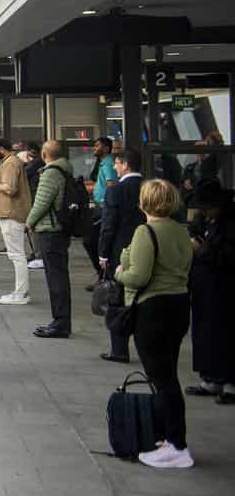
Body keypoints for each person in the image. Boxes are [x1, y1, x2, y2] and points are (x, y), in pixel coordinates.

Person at [115, 179, 195, 468]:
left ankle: (176, 445)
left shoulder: (145, 231)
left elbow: (138, 276)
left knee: (162, 379)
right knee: (168, 373)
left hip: (153, 309)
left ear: (144, 203)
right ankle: (169, 438)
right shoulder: (180, 231)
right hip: (179, 304)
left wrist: (119, 272)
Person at [185, 180, 235, 403]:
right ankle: (209, 377)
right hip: (202, 285)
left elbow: (228, 256)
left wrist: (202, 249)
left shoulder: (230, 224)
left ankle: (229, 381)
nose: (203, 212)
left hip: (224, 287)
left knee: (224, 334)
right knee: (203, 332)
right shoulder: (203, 220)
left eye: (207, 208)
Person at [97, 148, 145, 363]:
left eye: (117, 163)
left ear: (125, 165)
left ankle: (119, 349)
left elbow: (108, 226)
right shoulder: (150, 187)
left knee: (118, 299)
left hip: (121, 251)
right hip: (149, 249)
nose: (115, 167)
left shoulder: (115, 191)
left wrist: (103, 254)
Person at [28, 141, 73, 338]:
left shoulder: (51, 173)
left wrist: (29, 222)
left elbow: (42, 201)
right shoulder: (65, 169)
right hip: (59, 229)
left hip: (51, 230)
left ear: (44, 154)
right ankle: (61, 321)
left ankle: (60, 323)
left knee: (56, 279)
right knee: (59, 277)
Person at [0, 138, 32, 305]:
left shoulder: (11, 163)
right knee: (17, 254)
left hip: (11, 212)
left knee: (16, 254)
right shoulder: (11, 162)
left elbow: (10, 188)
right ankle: (21, 291)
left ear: (1, 149)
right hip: (10, 212)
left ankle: (21, 293)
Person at [82, 137, 118, 290]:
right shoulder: (103, 163)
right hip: (100, 206)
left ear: (107, 148)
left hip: (104, 208)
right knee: (93, 240)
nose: (94, 148)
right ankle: (102, 275)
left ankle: (104, 276)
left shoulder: (109, 163)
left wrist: (108, 205)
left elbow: (111, 184)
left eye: (98, 146)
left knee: (92, 240)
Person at [23, 141, 45, 269]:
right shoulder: (37, 163)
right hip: (33, 197)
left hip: (34, 198)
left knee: (32, 226)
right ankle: (37, 253)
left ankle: (39, 255)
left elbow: (24, 174)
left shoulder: (36, 163)